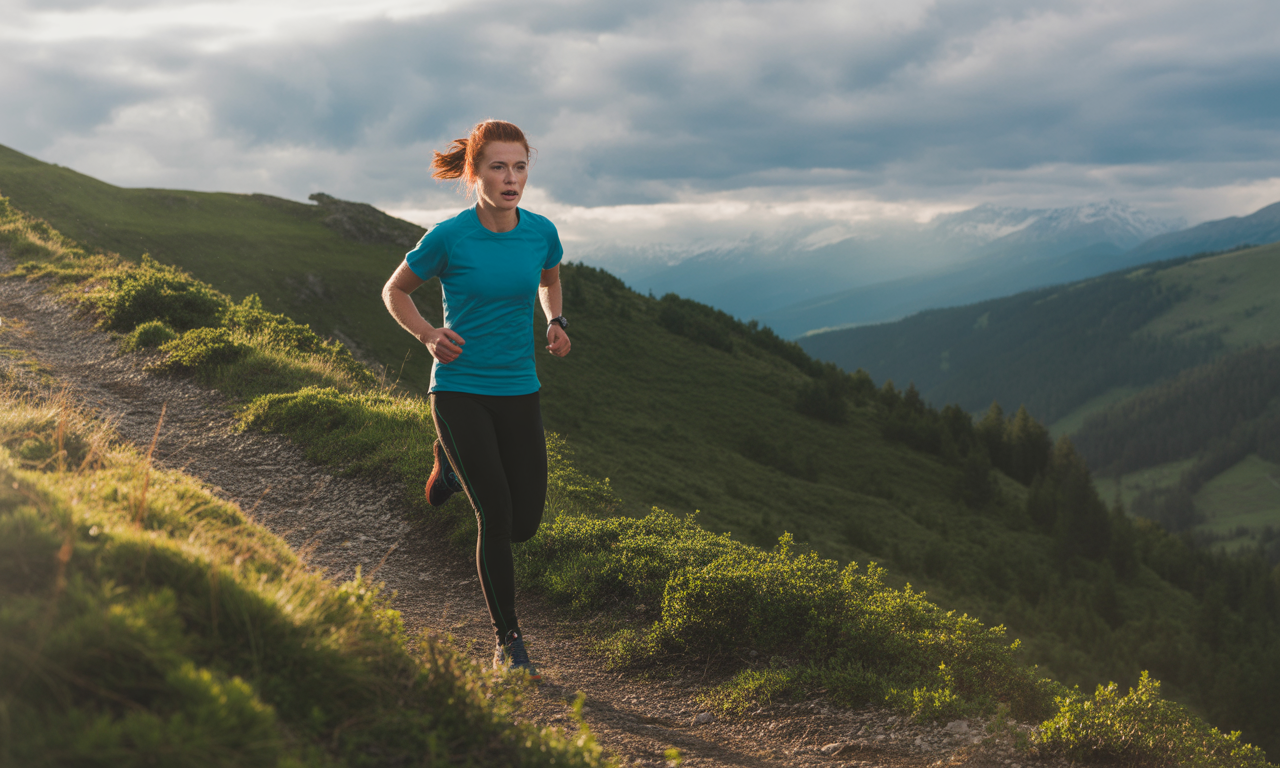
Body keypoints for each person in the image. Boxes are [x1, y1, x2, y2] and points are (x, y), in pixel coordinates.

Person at [381, 119, 570, 681]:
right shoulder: (450, 237)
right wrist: (427, 335)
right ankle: (508, 642)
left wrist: (556, 320)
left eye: (520, 167)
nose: (511, 179)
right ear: (475, 173)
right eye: (498, 167)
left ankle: (449, 467)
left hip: (519, 388)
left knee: (525, 523)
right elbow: (395, 290)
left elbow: (549, 279)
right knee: (496, 515)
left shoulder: (541, 232)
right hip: (459, 388)